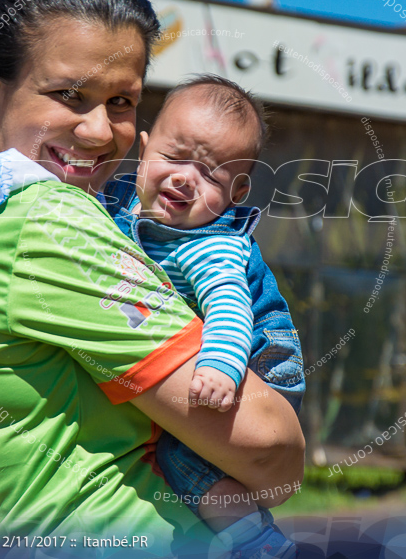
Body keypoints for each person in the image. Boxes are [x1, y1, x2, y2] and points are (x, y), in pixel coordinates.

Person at [0, 0, 304, 556]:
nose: (98, 132)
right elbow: (271, 450)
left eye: (122, 102)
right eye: (69, 94)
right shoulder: (49, 220)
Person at [99, 75, 304, 556]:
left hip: (254, 362)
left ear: (237, 192)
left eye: (211, 175)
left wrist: (219, 368)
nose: (185, 178)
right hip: (221, 351)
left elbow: (229, 306)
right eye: (173, 157)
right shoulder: (124, 208)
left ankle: (257, 539)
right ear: (144, 150)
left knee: (183, 455)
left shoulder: (208, 245)